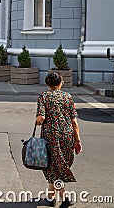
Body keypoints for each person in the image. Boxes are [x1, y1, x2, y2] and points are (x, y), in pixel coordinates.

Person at [35, 72, 82, 208]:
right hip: (66, 135)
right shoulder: (68, 97)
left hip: (51, 137)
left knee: (54, 169)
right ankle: (51, 198)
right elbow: (74, 121)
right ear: (61, 82)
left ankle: (65, 198)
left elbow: (41, 118)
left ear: (48, 83)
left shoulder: (44, 96)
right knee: (55, 168)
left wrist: (38, 121)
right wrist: (77, 139)